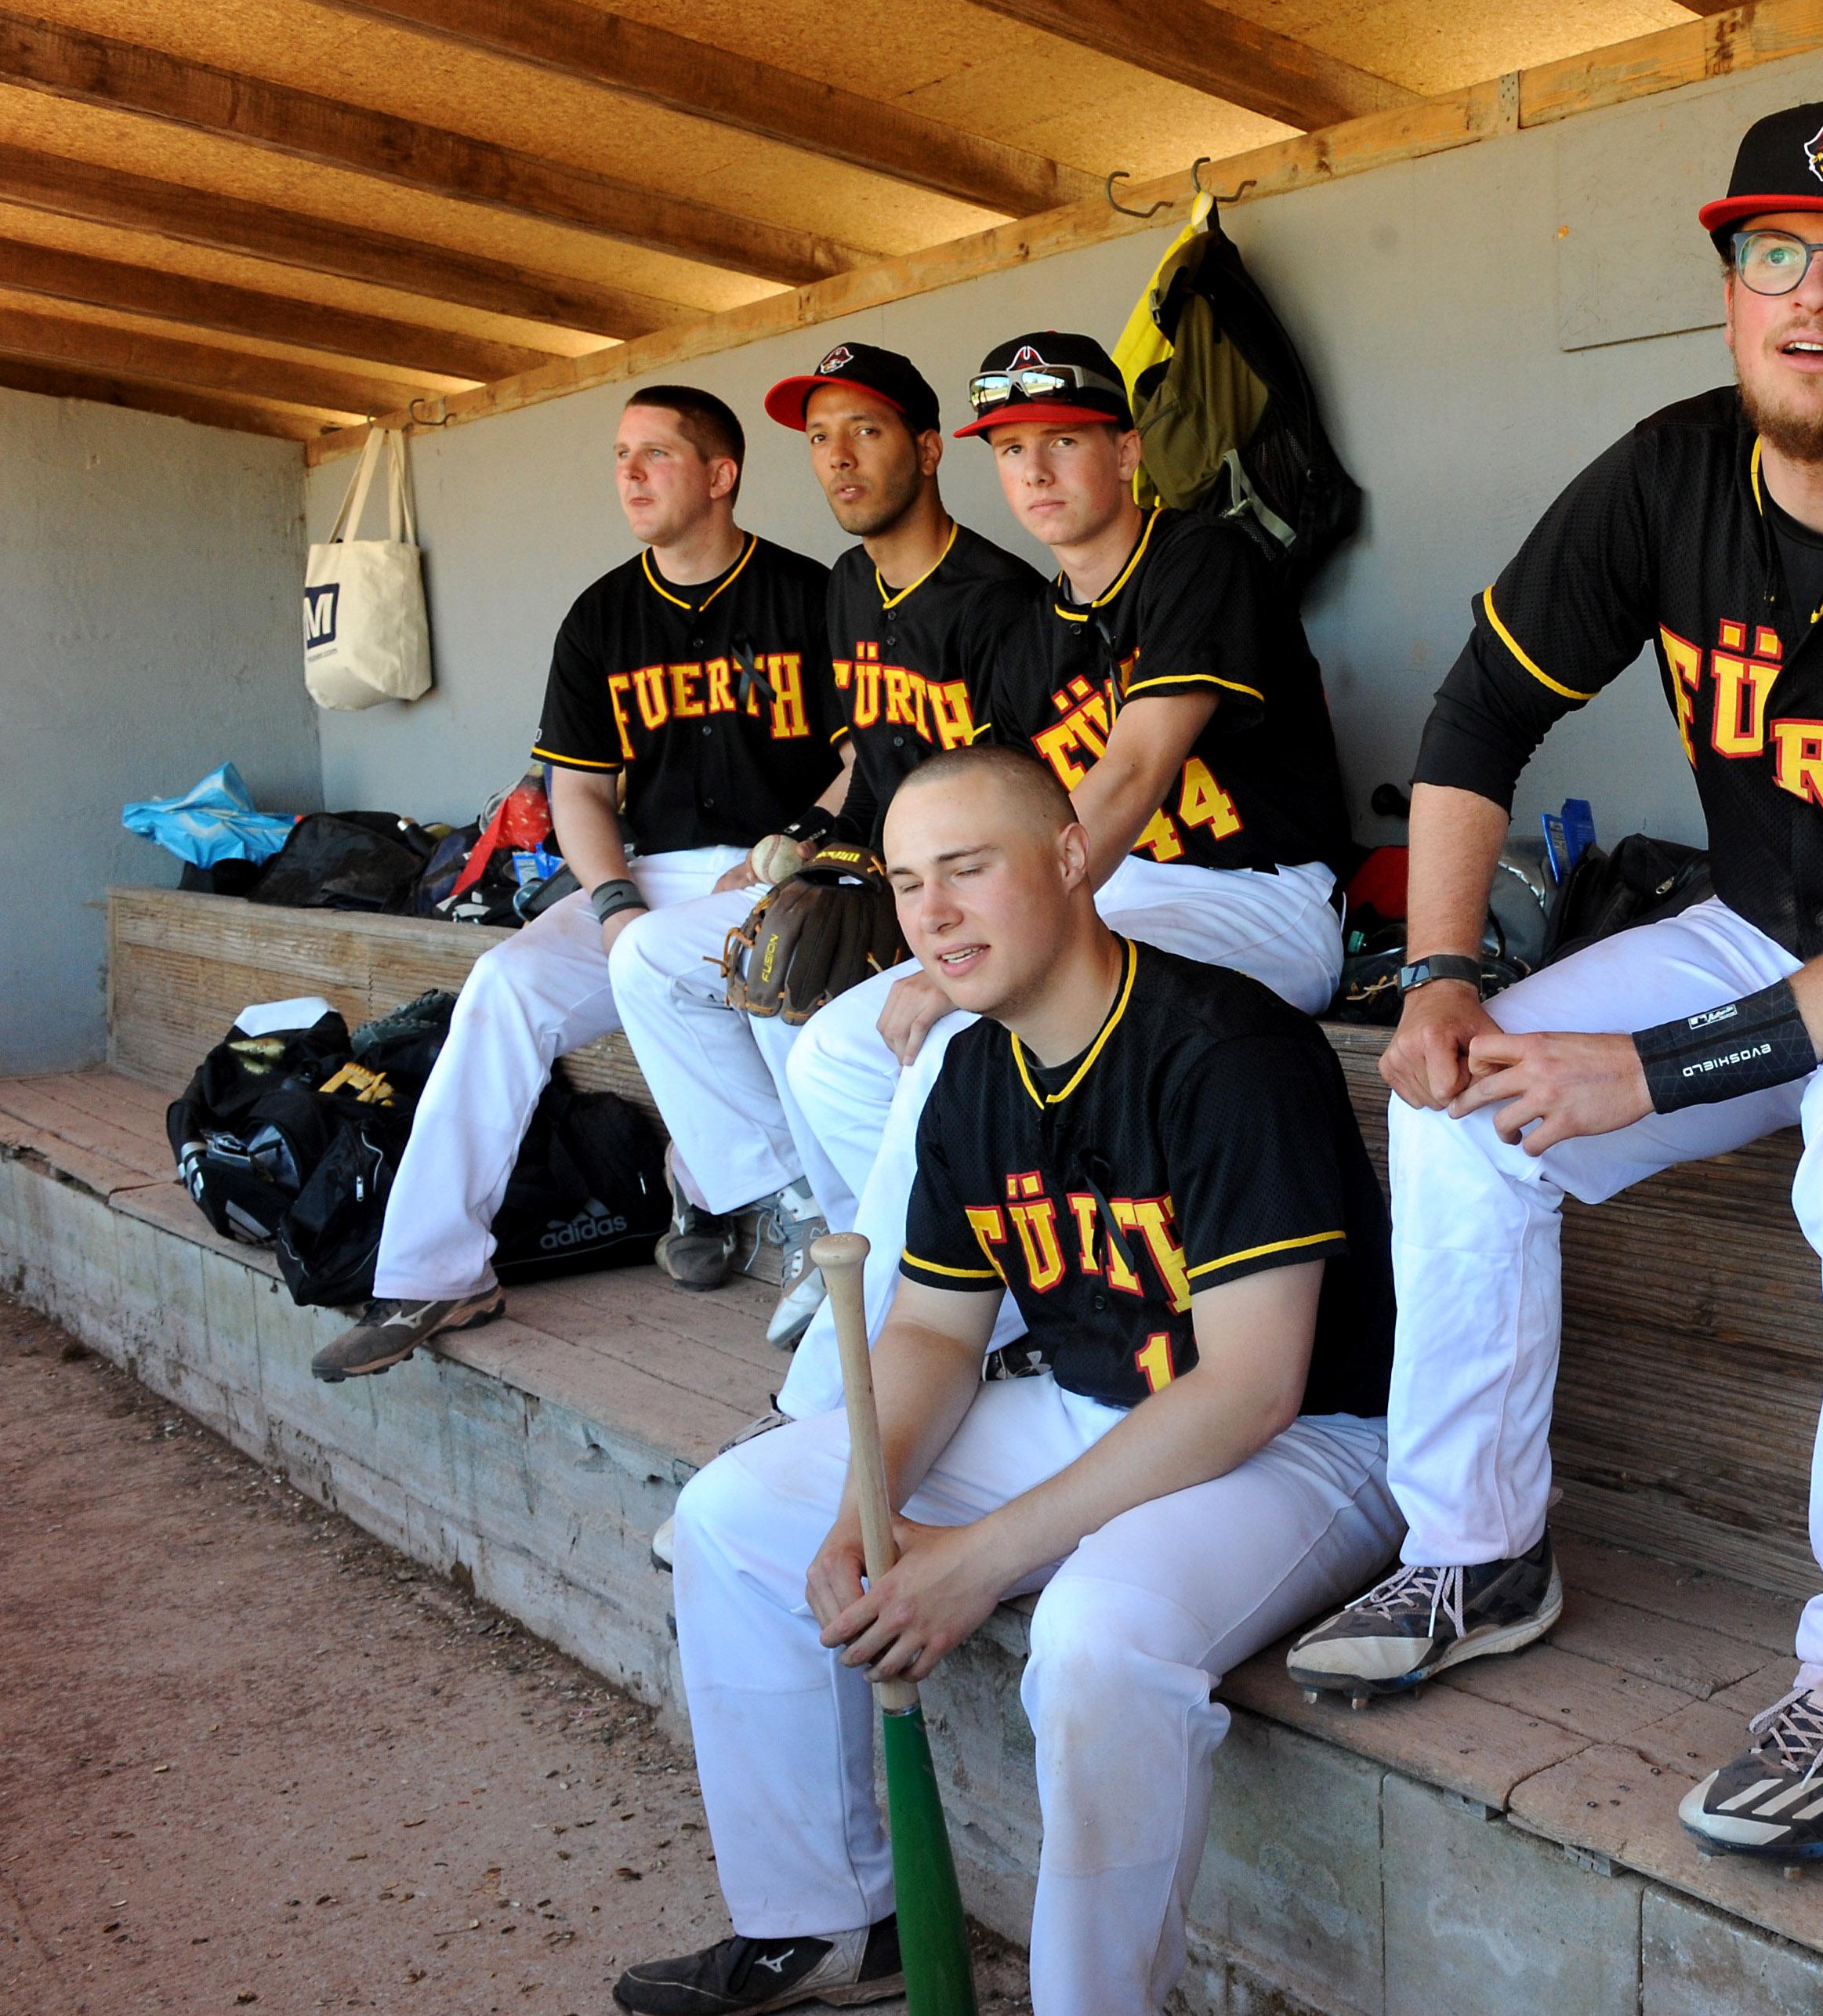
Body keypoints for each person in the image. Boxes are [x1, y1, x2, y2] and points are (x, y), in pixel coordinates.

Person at [1282, 99, 1823, 1864]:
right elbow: (1477, 714)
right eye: (1771, 257)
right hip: (1769, 913)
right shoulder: (1673, 471)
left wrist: (1653, 1071)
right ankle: (1476, 1553)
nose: (1810, 299)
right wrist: (1443, 976)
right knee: (1460, 1104)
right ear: (1731, 291)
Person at [614, 745, 1397, 2016]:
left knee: (1097, 1641)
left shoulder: (1229, 1049)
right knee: (742, 1515)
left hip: (1307, 1445)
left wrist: (972, 1561)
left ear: (1073, 858)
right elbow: (929, 1333)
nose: (932, 913)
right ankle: (827, 1919)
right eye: (909, 882)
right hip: (1099, 1406)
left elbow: (1252, 1384)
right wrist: (872, 1504)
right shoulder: (977, 1073)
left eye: (969, 868)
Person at [759, 331, 1353, 1419]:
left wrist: (965, 970)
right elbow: (990, 812)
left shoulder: (1201, 561)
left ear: (1128, 453)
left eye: (1064, 442)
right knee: (831, 1057)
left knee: (953, 1039)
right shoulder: (1034, 631)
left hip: (1254, 897)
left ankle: (830, 1412)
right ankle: (1006, 1307)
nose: (1033, 471)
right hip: (1115, 899)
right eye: (1011, 447)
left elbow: (1128, 775)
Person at [311, 386, 842, 1381]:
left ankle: (773, 1209)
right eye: (619, 455)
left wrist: (796, 845)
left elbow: (866, 757)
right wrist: (609, 902)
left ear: (721, 475)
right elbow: (579, 792)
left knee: (754, 980)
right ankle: (438, 1270)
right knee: (506, 987)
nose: (629, 475)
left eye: (656, 454)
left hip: (781, 871)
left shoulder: (809, 595)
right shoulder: (601, 616)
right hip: (643, 872)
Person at [610, 343, 1045, 1351]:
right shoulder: (848, 583)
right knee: (660, 953)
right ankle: (812, 1213)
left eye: (866, 431)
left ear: (929, 449)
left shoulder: (998, 601)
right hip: (867, 867)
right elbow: (869, 764)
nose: (838, 459)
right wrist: (801, 842)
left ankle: (878, 1256)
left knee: (798, 970)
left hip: (963, 890)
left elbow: (1025, 802)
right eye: (818, 439)